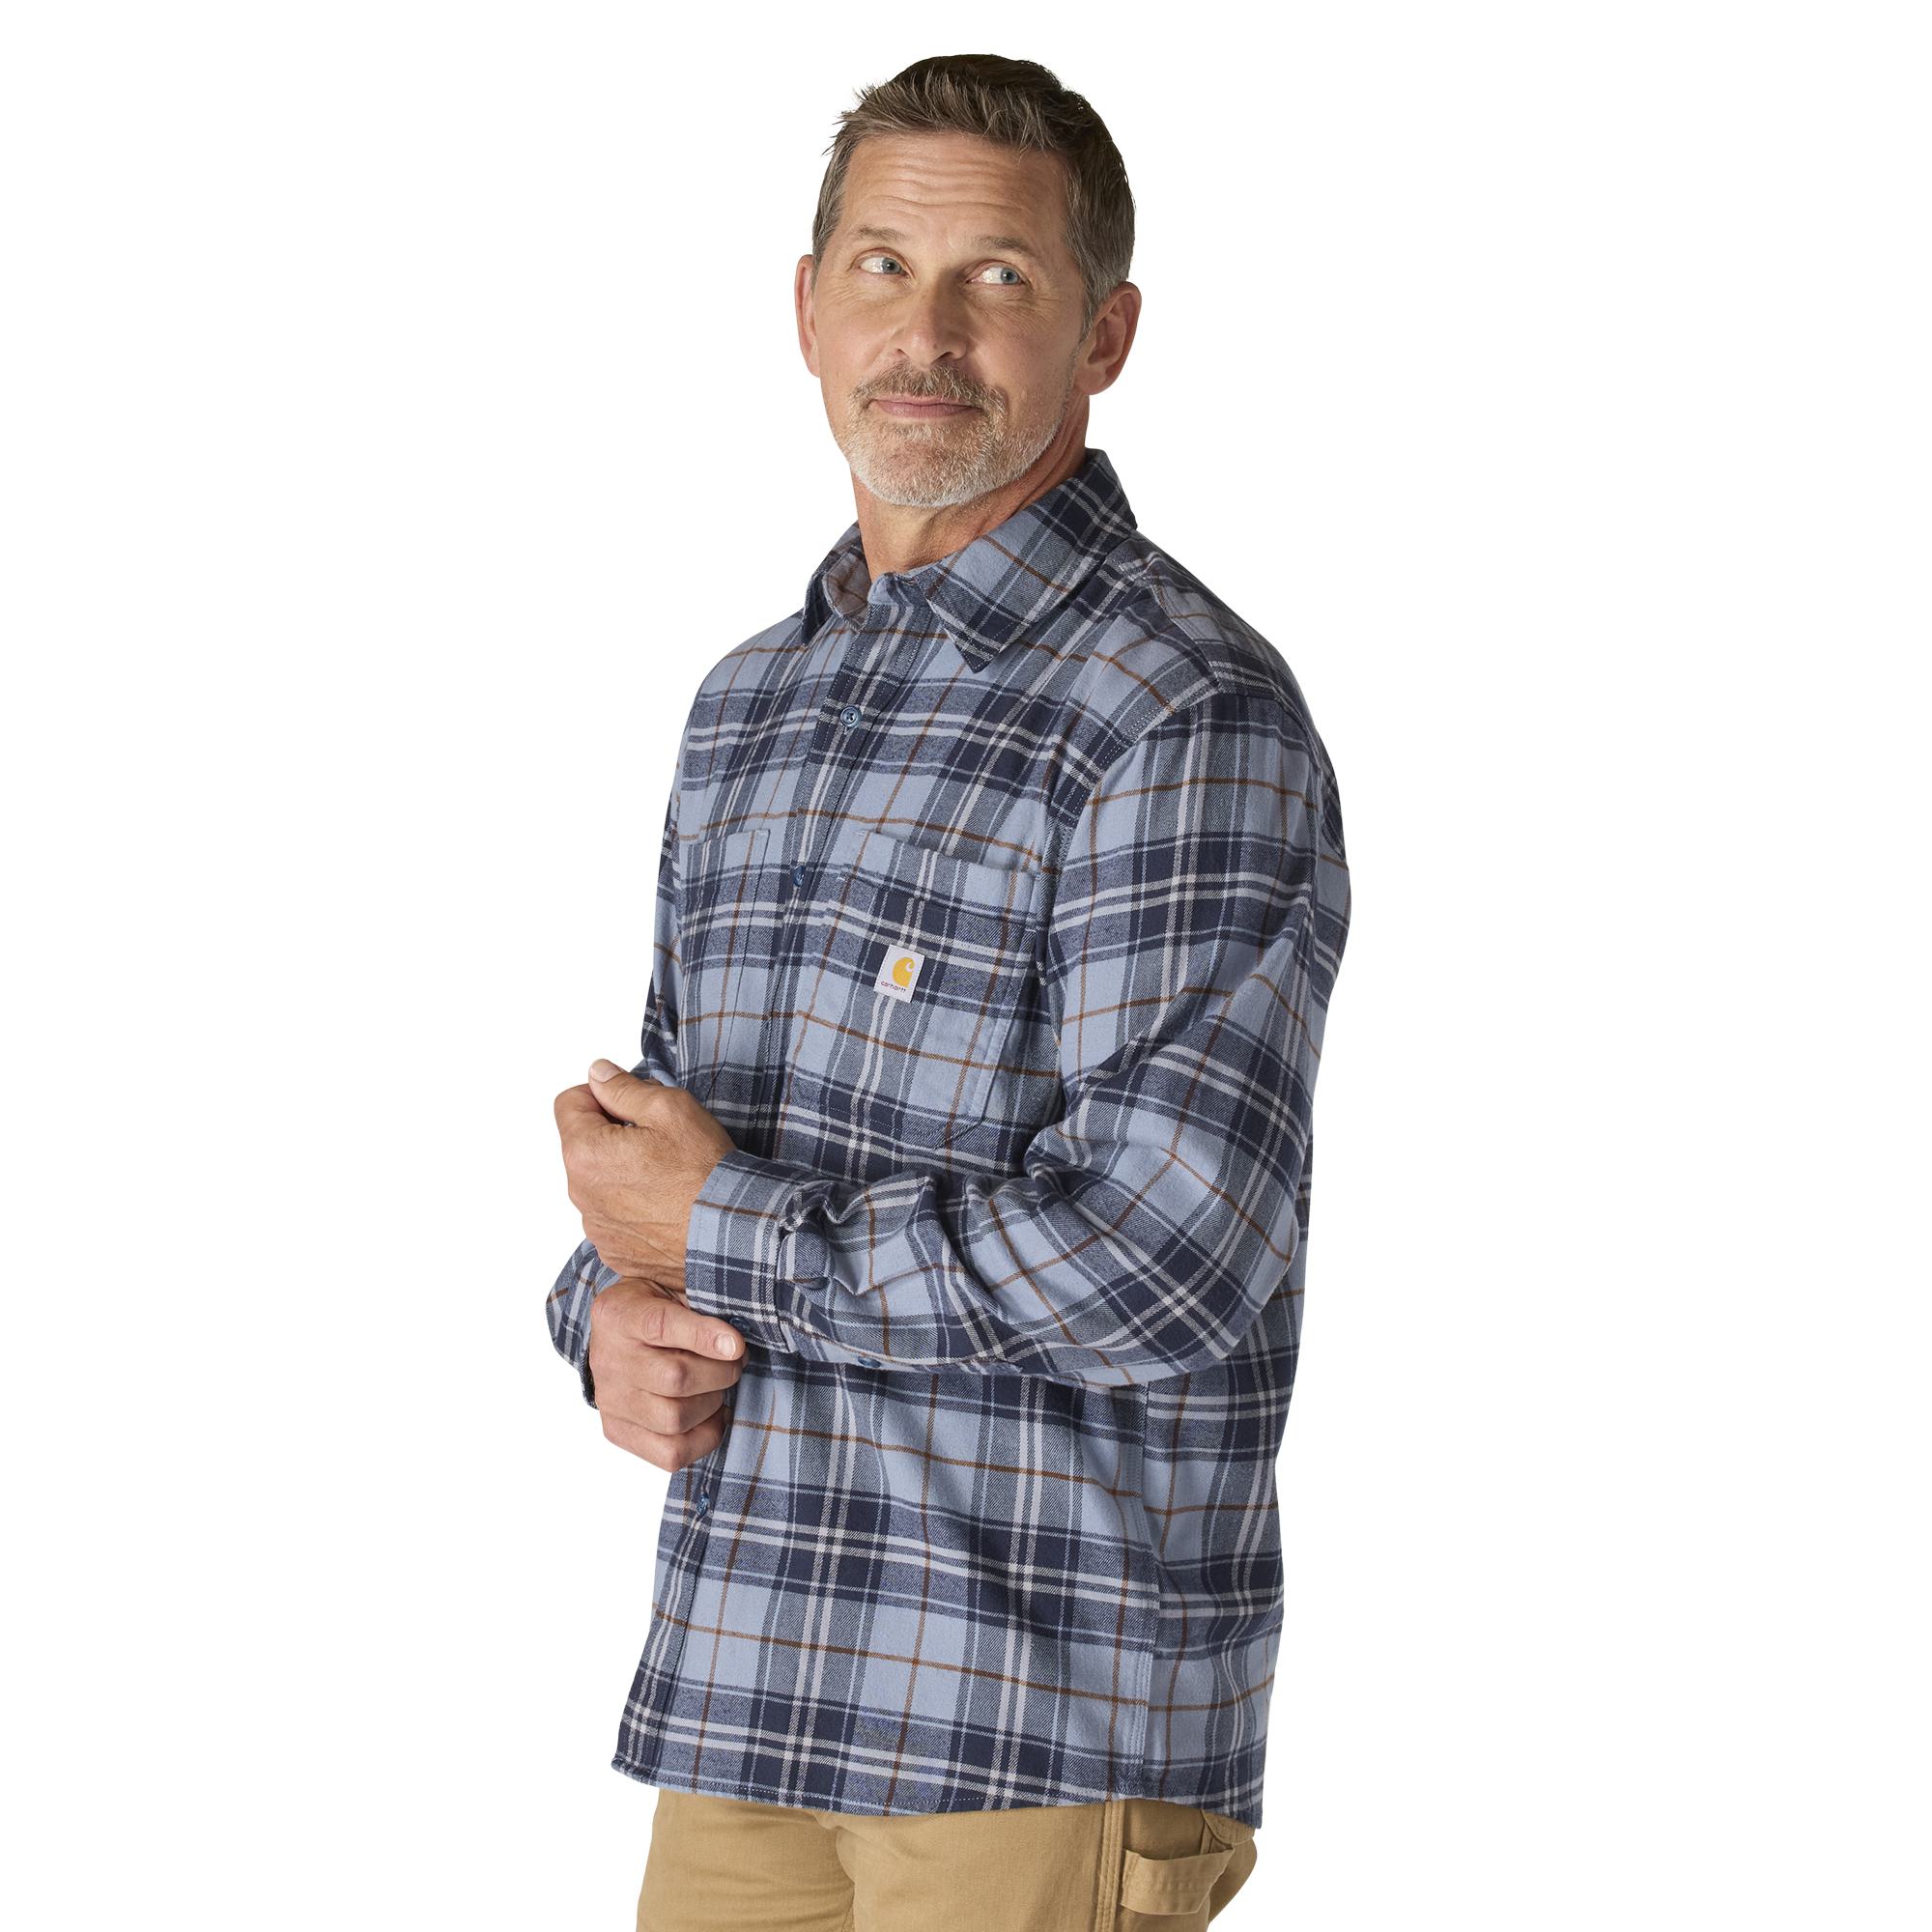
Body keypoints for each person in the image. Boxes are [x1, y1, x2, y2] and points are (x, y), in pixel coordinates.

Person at [548, 53, 1351, 1932]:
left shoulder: (1181, 713)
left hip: (1034, 1728)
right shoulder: (749, 706)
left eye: (997, 276)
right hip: (750, 1688)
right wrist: (608, 1315)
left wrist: (715, 1234)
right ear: (806, 308)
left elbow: (1163, 1258)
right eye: (883, 267)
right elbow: (679, 1173)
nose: (925, 334)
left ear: (1103, 333)